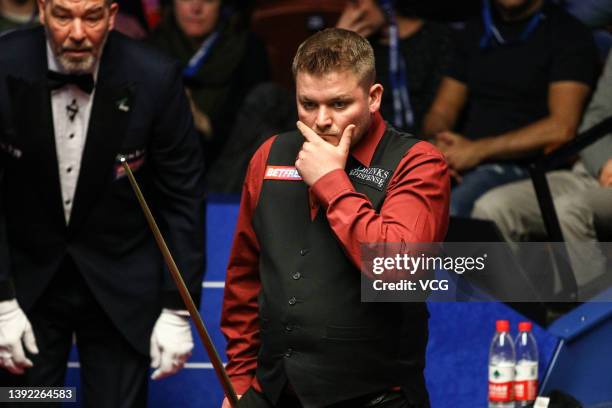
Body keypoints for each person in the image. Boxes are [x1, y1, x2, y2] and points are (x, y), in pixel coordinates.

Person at [221, 28, 449, 408]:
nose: (321, 120)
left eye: (339, 104)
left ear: (373, 97)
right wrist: (240, 381)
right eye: (308, 104)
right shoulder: (270, 156)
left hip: (375, 398)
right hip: (273, 394)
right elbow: (245, 278)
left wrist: (332, 182)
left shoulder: (418, 163)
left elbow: (398, 268)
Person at [0, 0, 205, 406]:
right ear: (42, 10)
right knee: (27, 400)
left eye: (92, 17)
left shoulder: (155, 77)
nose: (77, 32)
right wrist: (2, 300)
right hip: (27, 285)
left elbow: (182, 197)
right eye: (63, 15)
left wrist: (177, 308)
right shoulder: (3, 65)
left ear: (112, 15)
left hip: (120, 282)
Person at [423, 0, 598, 217]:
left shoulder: (568, 34)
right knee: (392, 198)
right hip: (463, 160)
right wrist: (441, 146)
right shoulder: (475, 30)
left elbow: (562, 127)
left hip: (527, 167)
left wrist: (478, 151)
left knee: (451, 211)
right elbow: (442, 110)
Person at [472, 51, 612, 297]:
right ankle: (522, 320)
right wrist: (602, 164)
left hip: (590, 193)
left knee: (569, 210)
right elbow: (596, 118)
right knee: (493, 208)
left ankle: (591, 324)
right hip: (593, 172)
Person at [149, 0, 269, 180]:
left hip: (229, 172)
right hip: (161, 173)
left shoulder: (249, 49)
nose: (196, 8)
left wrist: (203, 122)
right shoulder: (148, 52)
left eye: (207, 0)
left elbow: (253, 135)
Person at [336, 0, 453, 136]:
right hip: (374, 144)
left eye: (355, 4)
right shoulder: (359, 49)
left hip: (425, 143)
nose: (350, 14)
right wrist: (339, 44)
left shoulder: (438, 39)